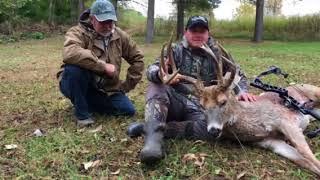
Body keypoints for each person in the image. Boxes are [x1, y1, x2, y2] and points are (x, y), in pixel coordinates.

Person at [127, 15, 256, 164]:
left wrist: (242, 91)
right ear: (186, 32)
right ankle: (153, 143)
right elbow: (152, 69)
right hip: (175, 101)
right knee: (157, 86)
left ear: (208, 34)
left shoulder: (218, 53)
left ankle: (150, 128)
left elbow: (238, 74)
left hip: (204, 109)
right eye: (194, 30)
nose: (198, 34)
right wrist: (159, 74)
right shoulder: (175, 50)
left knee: (211, 131)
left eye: (202, 31)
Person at [57, 0, 144, 127]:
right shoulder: (77, 32)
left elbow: (138, 59)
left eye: (111, 21)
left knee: (127, 110)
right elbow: (70, 53)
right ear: (92, 19)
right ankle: (82, 115)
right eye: (103, 22)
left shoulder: (120, 35)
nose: (108, 26)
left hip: (107, 89)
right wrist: (102, 66)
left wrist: (125, 86)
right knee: (74, 70)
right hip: (77, 82)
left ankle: (84, 101)